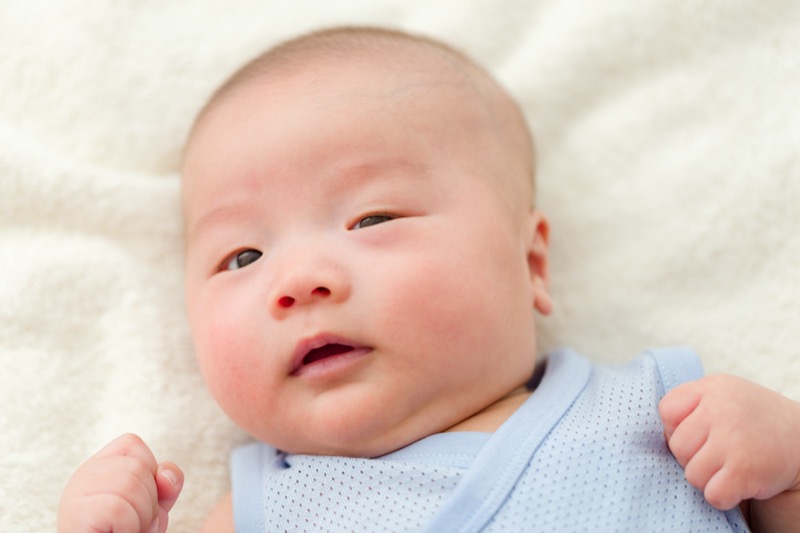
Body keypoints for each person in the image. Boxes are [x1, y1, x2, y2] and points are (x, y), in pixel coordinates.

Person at [57, 26, 800, 532]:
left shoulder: (665, 420)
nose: (298, 279)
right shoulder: (263, 510)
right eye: (242, 258)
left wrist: (788, 464)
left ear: (530, 263)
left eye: (373, 218)